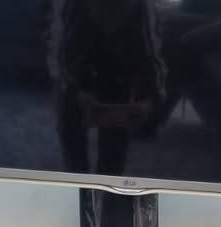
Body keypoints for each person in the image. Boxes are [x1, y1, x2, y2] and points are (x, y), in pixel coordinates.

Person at [48, 0, 168, 175]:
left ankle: (109, 180)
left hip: (117, 72)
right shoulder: (72, 6)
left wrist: (151, 100)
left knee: (114, 145)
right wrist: (77, 91)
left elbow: (151, 56)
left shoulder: (142, 8)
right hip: (77, 70)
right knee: (70, 125)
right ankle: (77, 179)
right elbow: (62, 54)